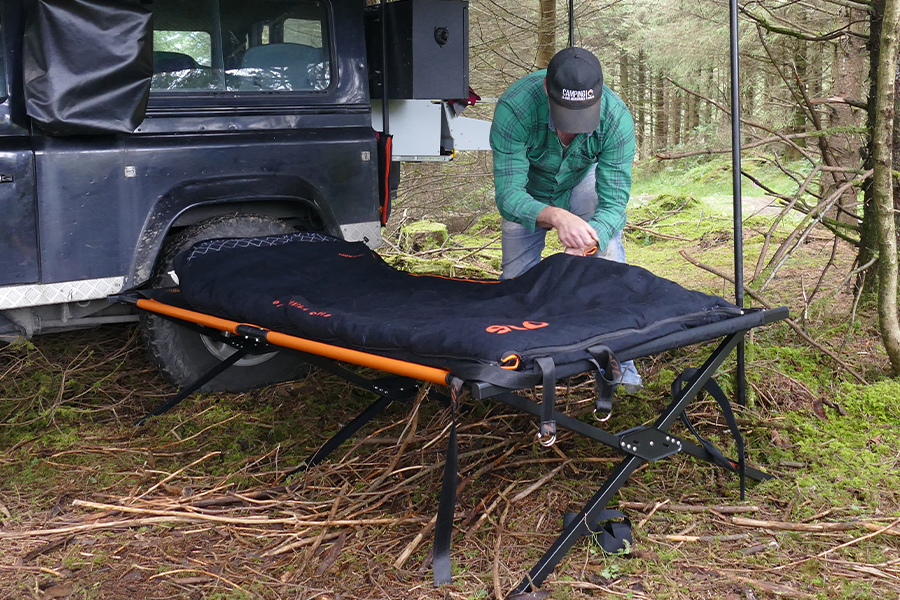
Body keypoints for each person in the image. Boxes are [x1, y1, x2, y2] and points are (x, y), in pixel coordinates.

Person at [489, 46, 642, 392]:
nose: (573, 127)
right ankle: (521, 370)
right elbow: (508, 196)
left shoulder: (617, 119)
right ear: (547, 90)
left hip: (581, 179)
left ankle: (624, 371)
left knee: (609, 261)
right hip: (528, 191)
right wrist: (556, 217)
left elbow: (615, 203)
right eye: (566, 114)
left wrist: (593, 236)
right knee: (516, 282)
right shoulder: (515, 109)